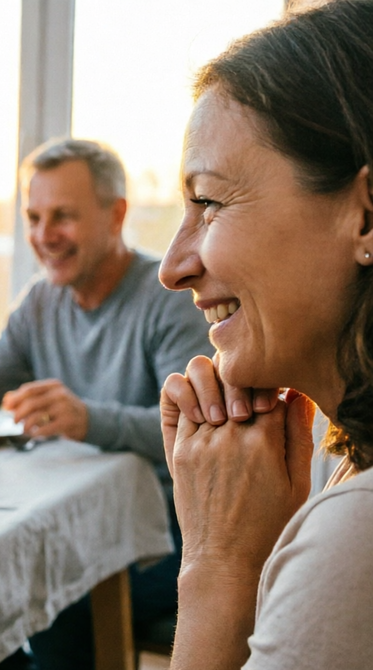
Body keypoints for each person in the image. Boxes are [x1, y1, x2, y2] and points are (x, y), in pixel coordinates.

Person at [0, 138, 213, 668]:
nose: (43, 236)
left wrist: (88, 419)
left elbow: (194, 429)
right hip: (71, 525)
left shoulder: (169, 299)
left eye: (62, 216)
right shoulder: (42, 300)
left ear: (116, 215)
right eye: (34, 217)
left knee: (57, 600)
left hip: (162, 534)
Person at [157, 2, 373, 668]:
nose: (173, 267)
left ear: (366, 216)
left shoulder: (358, 535)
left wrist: (218, 567)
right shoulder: (336, 466)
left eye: (210, 202)